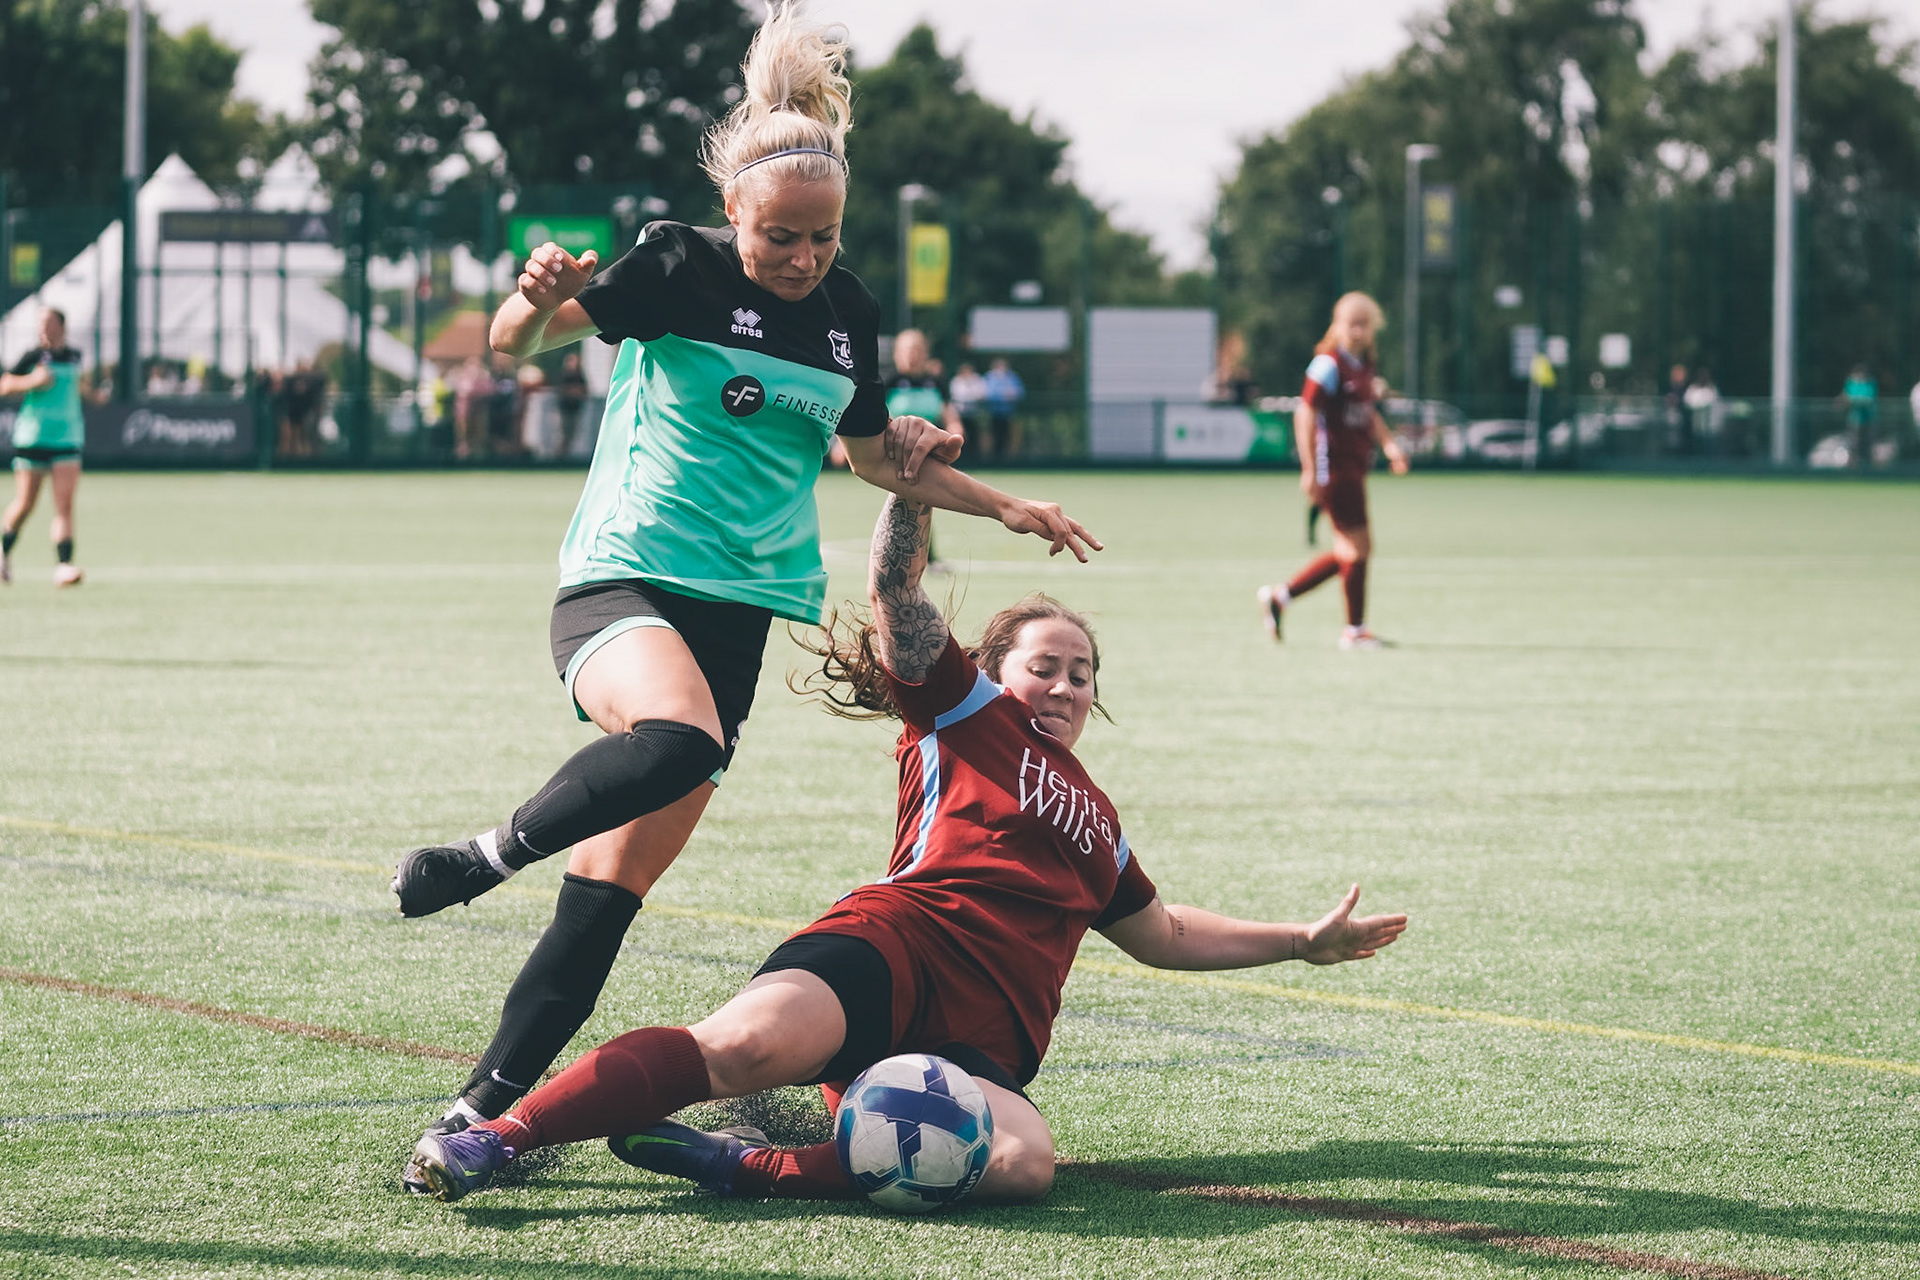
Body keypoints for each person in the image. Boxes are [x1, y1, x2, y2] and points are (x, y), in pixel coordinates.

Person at [389, 3, 1100, 1191]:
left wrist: (1002, 503)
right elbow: (513, 345)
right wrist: (539, 293)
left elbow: (872, 458)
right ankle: (479, 856)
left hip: (737, 617)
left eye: (823, 237)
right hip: (626, 574)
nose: (804, 257)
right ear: (734, 210)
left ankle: (474, 1119)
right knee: (677, 738)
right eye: (781, 236)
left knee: (606, 899)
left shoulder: (848, 313)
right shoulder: (676, 264)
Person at [405, 491, 1408, 1205]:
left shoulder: (1102, 823)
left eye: (1082, 673)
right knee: (738, 1048)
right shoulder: (965, 711)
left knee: (1024, 1165)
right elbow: (895, 592)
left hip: (986, 1039)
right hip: (893, 950)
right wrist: (912, 485)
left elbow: (1166, 933)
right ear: (996, 671)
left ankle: (748, 1166)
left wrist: (1300, 941)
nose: (1064, 686)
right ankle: (501, 1135)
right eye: (1045, 666)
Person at [1256, 292, 1408, 650]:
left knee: (1354, 549)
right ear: (1337, 325)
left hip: (1354, 468)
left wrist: (1389, 445)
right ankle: (1353, 631)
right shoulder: (1328, 365)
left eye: (1364, 324)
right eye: (1351, 324)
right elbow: (1305, 414)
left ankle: (1282, 597)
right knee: (1355, 548)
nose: (1358, 331)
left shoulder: (1363, 365)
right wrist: (1309, 469)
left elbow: (1368, 413)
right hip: (1334, 469)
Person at [1, 308, 93, 586]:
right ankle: (3, 553)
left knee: (64, 504)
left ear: (61, 326)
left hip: (67, 437)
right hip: (33, 437)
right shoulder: (32, 357)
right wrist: (32, 381)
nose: (43, 328)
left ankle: (64, 565)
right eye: (40, 324)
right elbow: (5, 384)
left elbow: (78, 386)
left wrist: (92, 394)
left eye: (49, 323)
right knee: (26, 503)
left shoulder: (75, 356)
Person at [983, 358, 1025, 461]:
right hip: (993, 413)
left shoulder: (1012, 377)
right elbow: (988, 393)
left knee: (1008, 437)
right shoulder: (990, 377)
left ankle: (1007, 459)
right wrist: (1004, 395)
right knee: (994, 436)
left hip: (1008, 413)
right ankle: (994, 458)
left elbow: (1019, 392)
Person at [948, 361, 988, 452]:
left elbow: (981, 394)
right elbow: (956, 395)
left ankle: (974, 453)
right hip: (960, 414)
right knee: (961, 434)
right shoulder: (956, 381)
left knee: (975, 435)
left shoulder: (977, 380)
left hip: (975, 414)